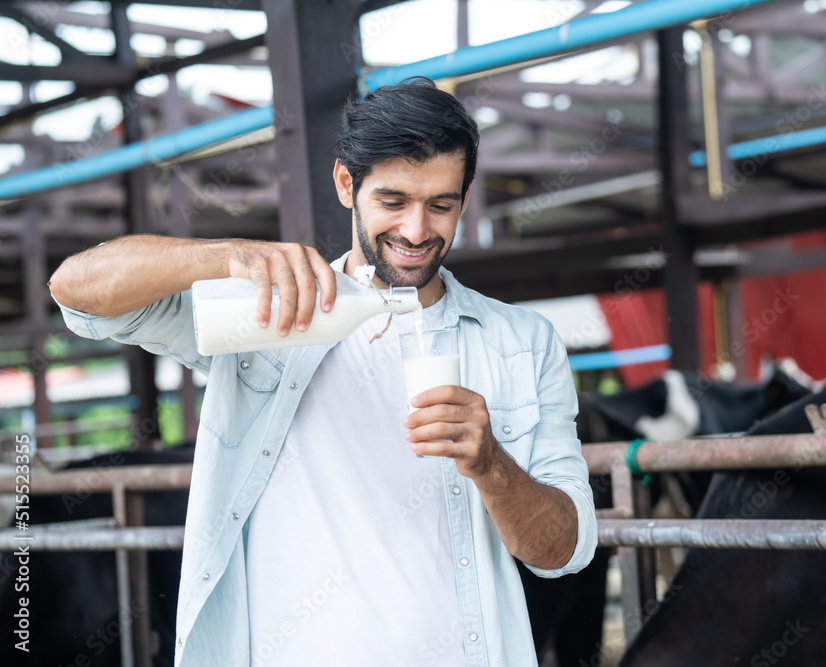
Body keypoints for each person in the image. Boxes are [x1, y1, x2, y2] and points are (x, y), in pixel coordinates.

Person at [49, 77, 597, 667]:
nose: (416, 231)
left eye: (440, 205)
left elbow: (561, 550)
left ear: (463, 199)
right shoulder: (265, 310)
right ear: (346, 184)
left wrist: (490, 464)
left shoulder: (523, 343)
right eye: (392, 201)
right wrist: (223, 256)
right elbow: (78, 296)